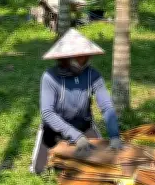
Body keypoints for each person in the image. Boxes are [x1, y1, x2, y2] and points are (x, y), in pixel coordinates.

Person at [30, 29, 122, 174]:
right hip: (54, 130)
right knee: (39, 172)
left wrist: (114, 136)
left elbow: (106, 106)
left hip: (84, 127)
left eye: (86, 56)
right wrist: (75, 136)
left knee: (103, 165)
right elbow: (47, 113)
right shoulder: (50, 77)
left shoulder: (93, 75)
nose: (84, 59)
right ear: (65, 57)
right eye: (79, 56)